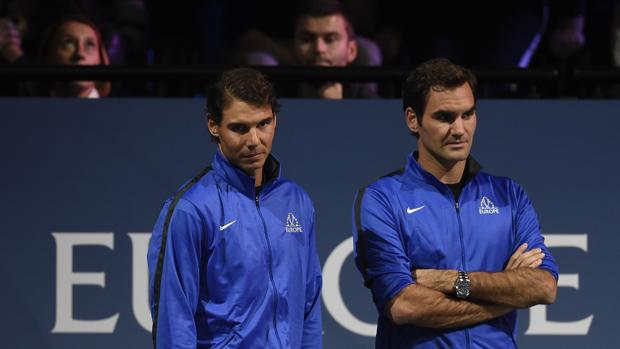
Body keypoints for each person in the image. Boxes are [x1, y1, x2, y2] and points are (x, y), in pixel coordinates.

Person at [352, 58, 558, 348]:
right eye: (445, 117)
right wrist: (505, 299)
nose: (460, 129)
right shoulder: (382, 199)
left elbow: (544, 287)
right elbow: (404, 305)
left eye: (468, 114)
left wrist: (452, 281)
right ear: (413, 119)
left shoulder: (509, 195)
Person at [147, 68, 323, 348]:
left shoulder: (297, 201)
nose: (254, 140)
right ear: (213, 125)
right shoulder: (190, 209)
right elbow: (174, 319)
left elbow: (309, 305)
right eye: (239, 128)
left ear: (275, 120)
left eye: (263, 124)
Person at [292, 0, 378, 98]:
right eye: (307, 39)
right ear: (293, 47)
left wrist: (336, 108)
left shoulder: (370, 103)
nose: (319, 48)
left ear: (351, 51)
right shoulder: (274, 98)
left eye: (330, 39)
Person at [39, 15, 110, 97]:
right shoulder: (30, 108)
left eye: (89, 45)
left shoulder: (118, 108)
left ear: (100, 60)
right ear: (49, 55)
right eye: (69, 44)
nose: (80, 53)